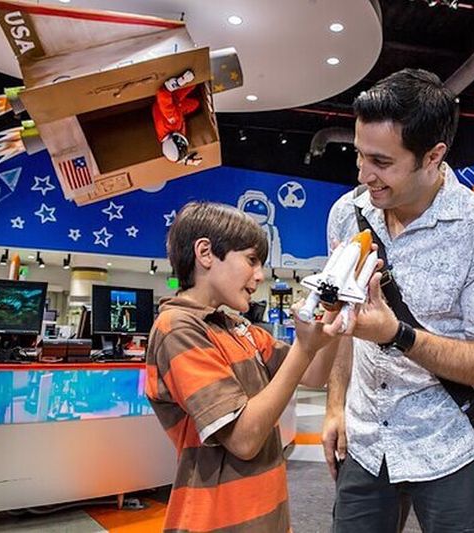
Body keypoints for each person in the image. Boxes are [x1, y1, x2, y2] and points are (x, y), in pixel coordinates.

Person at [323, 68, 474, 532]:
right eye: (359, 155)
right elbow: (346, 327)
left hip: (451, 445)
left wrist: (398, 335)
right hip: (366, 441)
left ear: (433, 156)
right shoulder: (346, 215)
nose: (364, 175)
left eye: (381, 161)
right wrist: (336, 405)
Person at [146, 202, 347, 532]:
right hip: (216, 522)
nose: (259, 275)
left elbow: (313, 374)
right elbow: (243, 439)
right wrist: (304, 347)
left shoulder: (239, 328)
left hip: (266, 516)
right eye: (251, 260)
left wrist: (333, 310)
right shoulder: (177, 328)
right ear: (205, 253)